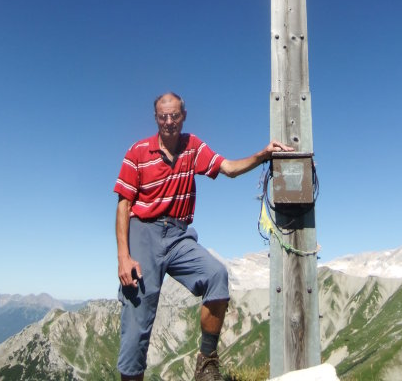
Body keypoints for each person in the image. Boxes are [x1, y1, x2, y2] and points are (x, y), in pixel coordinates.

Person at [114, 92, 293, 381]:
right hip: (144, 232)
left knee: (216, 276)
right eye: (163, 116)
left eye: (174, 115)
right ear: (156, 118)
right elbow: (123, 205)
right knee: (137, 317)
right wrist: (124, 257)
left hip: (178, 234)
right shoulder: (138, 151)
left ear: (183, 116)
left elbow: (228, 168)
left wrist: (262, 155)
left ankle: (206, 363)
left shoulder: (193, 146)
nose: (169, 122)